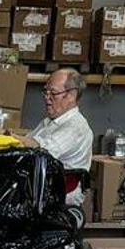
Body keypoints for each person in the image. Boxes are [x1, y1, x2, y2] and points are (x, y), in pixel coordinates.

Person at [28, 67, 94, 206]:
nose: (47, 97)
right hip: (41, 184)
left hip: (59, 191)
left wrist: (4, 133)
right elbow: (27, 144)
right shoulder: (49, 122)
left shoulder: (75, 127)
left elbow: (41, 150)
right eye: (45, 92)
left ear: (71, 96)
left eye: (53, 93)